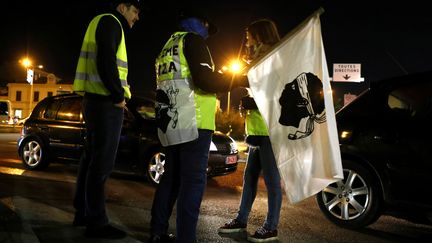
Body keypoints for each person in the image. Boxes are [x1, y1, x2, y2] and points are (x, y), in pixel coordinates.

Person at [149, 9, 247, 243]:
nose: (206, 33)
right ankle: (186, 238)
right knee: (192, 183)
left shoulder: (167, 46)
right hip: (194, 122)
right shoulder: (192, 40)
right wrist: (240, 79)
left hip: (170, 121)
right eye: (205, 25)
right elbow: (206, 81)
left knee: (170, 179)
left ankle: (157, 232)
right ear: (197, 22)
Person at [71, 0, 141, 239]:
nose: (137, 17)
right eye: (135, 11)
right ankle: (97, 222)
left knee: (90, 159)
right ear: (122, 7)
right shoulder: (111, 22)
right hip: (105, 102)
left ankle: (83, 212)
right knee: (101, 164)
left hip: (94, 100)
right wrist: (117, 95)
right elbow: (106, 60)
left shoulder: (98, 22)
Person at [218, 19, 283, 242]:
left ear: (260, 35)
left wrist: (254, 102)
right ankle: (241, 219)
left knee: (273, 180)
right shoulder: (256, 59)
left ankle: (271, 226)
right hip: (255, 128)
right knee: (249, 177)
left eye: (249, 36)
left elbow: (278, 93)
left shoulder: (274, 59)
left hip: (270, 129)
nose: (246, 40)